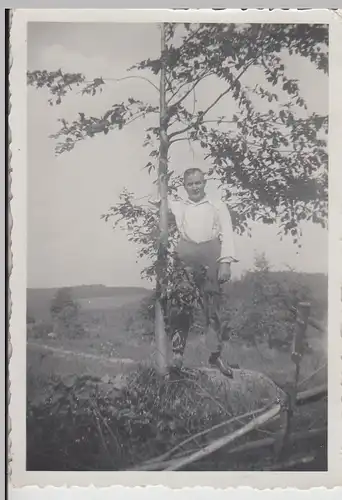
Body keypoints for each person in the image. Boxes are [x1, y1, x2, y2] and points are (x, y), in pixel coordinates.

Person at [151, 167, 237, 377]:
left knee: (211, 306)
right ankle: (177, 354)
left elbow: (227, 231)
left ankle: (215, 355)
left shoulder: (217, 205)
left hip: (210, 252)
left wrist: (225, 262)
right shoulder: (179, 205)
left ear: (204, 183)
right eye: (190, 184)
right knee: (181, 304)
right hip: (186, 253)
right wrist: (162, 184)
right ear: (185, 186)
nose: (194, 187)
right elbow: (158, 201)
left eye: (198, 182)